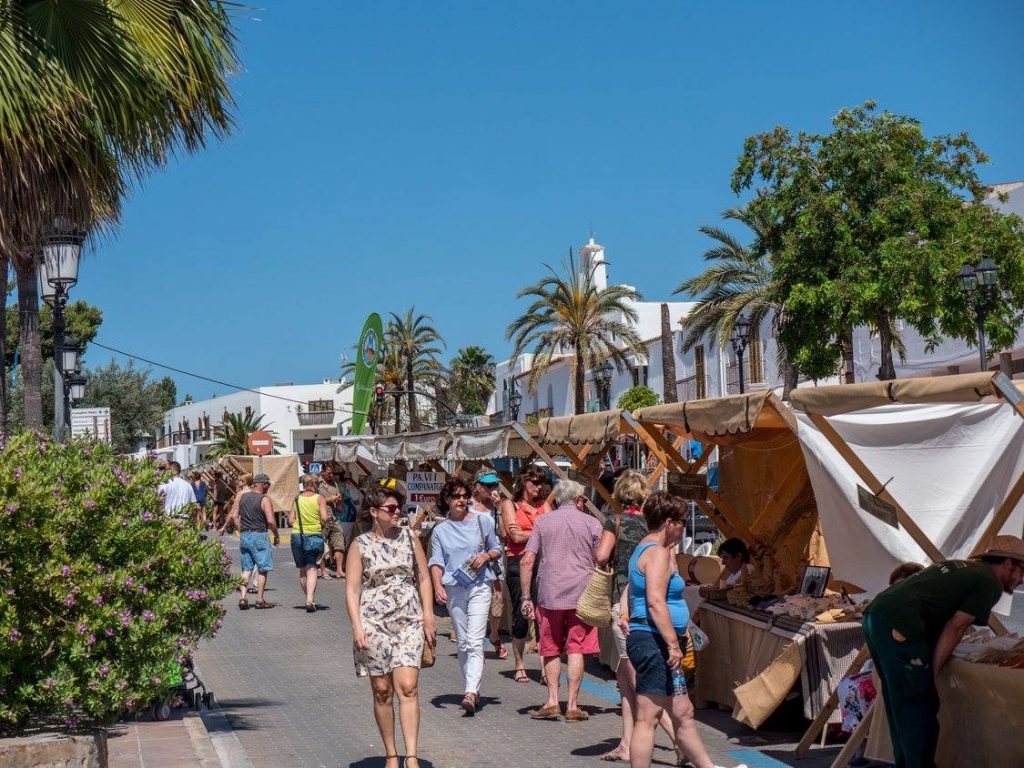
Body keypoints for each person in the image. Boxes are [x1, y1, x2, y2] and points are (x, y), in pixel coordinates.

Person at [862, 536, 1024, 768]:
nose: (1021, 580)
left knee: (901, 704)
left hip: (877, 616)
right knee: (919, 706)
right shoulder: (989, 582)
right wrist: (931, 675)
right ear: (1008, 564)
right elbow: (956, 627)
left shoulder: (968, 568)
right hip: (899, 624)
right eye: (1022, 571)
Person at [625, 492, 730, 768]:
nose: (684, 527)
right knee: (648, 717)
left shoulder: (645, 548)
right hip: (655, 640)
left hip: (657, 639)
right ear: (669, 522)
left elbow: (633, 591)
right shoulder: (656, 553)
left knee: (683, 711)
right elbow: (655, 601)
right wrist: (673, 644)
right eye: (682, 522)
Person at [595, 470, 683, 764]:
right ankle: (625, 742)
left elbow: (601, 556)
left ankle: (680, 741)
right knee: (625, 678)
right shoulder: (653, 529)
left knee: (639, 683)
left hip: (627, 604)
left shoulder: (616, 521)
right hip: (645, 608)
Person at [346, 487, 435, 768]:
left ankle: (411, 756)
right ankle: (391, 755)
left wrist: (429, 615)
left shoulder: (410, 538)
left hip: (409, 619)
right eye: (391, 509)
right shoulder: (360, 544)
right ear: (374, 512)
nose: (398, 513)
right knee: (382, 690)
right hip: (374, 623)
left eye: (399, 508)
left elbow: (423, 578)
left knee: (408, 687)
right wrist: (357, 627)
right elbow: (351, 589)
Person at [520, 479, 602, 722]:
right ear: (578, 500)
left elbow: (527, 560)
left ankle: (553, 700)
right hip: (582, 595)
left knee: (550, 646)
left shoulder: (543, 522)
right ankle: (573, 705)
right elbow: (601, 558)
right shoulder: (592, 522)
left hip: (550, 593)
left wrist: (526, 597)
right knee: (577, 647)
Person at [429, 477, 503, 715]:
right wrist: (436, 585)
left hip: (480, 586)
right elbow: (437, 561)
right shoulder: (440, 530)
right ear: (447, 500)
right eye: (456, 497)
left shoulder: (483, 522)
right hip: (454, 587)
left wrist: (486, 557)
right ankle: (471, 687)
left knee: (474, 639)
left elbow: (497, 548)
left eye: (464, 496)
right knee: (462, 642)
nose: (461, 500)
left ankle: (470, 692)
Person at [500, 465, 549, 682]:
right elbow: (514, 536)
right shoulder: (510, 505)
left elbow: (527, 534)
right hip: (517, 561)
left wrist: (528, 534)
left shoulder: (544, 506)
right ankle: (519, 663)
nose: (539, 486)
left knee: (543, 615)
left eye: (541, 482)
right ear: (524, 483)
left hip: (542, 562)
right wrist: (539, 533)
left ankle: (545, 667)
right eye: (535, 482)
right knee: (521, 615)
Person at [468, 468, 508, 660]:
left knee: (497, 599)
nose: (493, 488)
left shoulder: (496, 508)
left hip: (494, 557)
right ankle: (473, 635)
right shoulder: (468, 506)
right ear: (477, 487)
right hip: (472, 558)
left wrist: (499, 508)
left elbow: (504, 534)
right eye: (489, 485)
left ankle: (493, 633)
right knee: (471, 594)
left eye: (495, 485)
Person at [228, 473, 278, 610]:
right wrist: (276, 535)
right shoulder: (264, 499)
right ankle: (260, 599)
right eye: (267, 485)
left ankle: (243, 597)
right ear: (262, 485)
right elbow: (271, 521)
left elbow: (234, 516)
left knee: (246, 569)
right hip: (259, 535)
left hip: (245, 535)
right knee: (263, 568)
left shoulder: (243, 497)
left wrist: (241, 530)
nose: (268, 487)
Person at [289, 473, 330, 612]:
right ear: (314, 484)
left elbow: (290, 520)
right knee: (312, 568)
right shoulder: (319, 499)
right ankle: (309, 600)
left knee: (302, 569)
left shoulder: (296, 499)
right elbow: (324, 518)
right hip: (313, 535)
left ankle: (309, 598)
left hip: (297, 536)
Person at [317, 465, 347, 578]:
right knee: (321, 545)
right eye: (329, 473)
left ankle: (339, 570)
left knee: (339, 543)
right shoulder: (317, 484)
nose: (331, 475)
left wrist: (339, 500)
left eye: (332, 473)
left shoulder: (334, 484)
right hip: (323, 518)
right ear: (323, 472)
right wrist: (330, 499)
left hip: (334, 517)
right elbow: (314, 500)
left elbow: (338, 501)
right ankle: (323, 571)